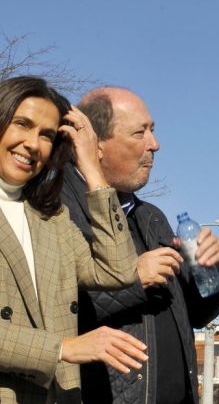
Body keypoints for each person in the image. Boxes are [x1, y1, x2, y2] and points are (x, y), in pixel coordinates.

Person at [60, 86, 219, 404]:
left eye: (152, 131)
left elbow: (194, 314)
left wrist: (216, 271)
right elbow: (57, 303)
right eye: (139, 133)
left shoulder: (151, 216)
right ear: (95, 144)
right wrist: (133, 279)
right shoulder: (60, 206)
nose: (154, 144)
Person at [0, 76, 149, 403]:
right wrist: (63, 348)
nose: (32, 144)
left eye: (47, 135)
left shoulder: (50, 219)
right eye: (22, 124)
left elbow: (120, 270)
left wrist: (93, 170)